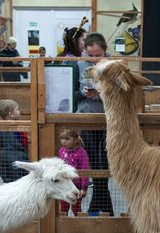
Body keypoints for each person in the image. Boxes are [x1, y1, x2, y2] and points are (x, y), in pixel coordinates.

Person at [76, 33, 114, 216]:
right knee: (93, 164)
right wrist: (83, 93)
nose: (93, 59)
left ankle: (97, 207)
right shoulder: (78, 64)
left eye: (97, 55)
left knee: (104, 164)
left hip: (108, 120)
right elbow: (72, 93)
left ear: (105, 51)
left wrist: (101, 92)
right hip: (86, 119)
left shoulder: (114, 66)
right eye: (89, 55)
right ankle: (105, 209)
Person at [0, 99, 30, 183]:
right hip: (19, 157)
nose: (19, 111)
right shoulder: (19, 127)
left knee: (8, 181)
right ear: (10, 114)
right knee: (21, 181)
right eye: (17, 109)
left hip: (4, 159)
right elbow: (24, 142)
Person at [58, 129, 89, 216]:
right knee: (63, 207)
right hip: (64, 185)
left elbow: (85, 170)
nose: (63, 141)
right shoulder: (61, 151)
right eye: (62, 138)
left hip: (76, 186)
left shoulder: (82, 152)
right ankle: (63, 224)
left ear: (75, 140)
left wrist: (84, 188)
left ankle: (79, 225)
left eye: (67, 139)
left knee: (76, 208)